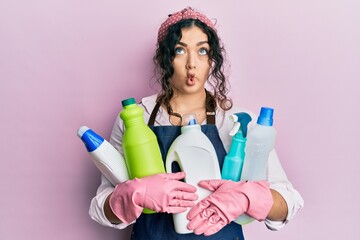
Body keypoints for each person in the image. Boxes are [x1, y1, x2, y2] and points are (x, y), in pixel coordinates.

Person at [89, 7, 304, 239]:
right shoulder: (136, 118)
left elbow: (288, 202)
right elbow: (102, 209)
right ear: (165, 58)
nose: (192, 63)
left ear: (212, 60)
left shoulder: (238, 122)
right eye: (180, 50)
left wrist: (249, 197)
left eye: (202, 51)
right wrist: (132, 194)